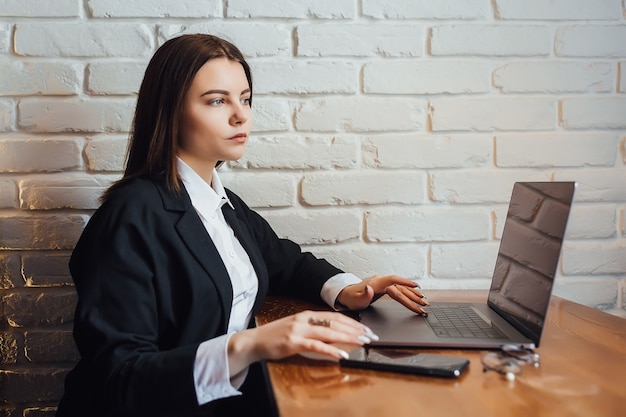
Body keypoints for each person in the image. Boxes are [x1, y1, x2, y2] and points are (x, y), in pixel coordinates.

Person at [56, 34, 429, 417]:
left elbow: (287, 262)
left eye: (245, 99)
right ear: (170, 110)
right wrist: (250, 344)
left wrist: (349, 289)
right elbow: (121, 379)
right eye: (217, 100)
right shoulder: (129, 216)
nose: (241, 115)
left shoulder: (222, 203)